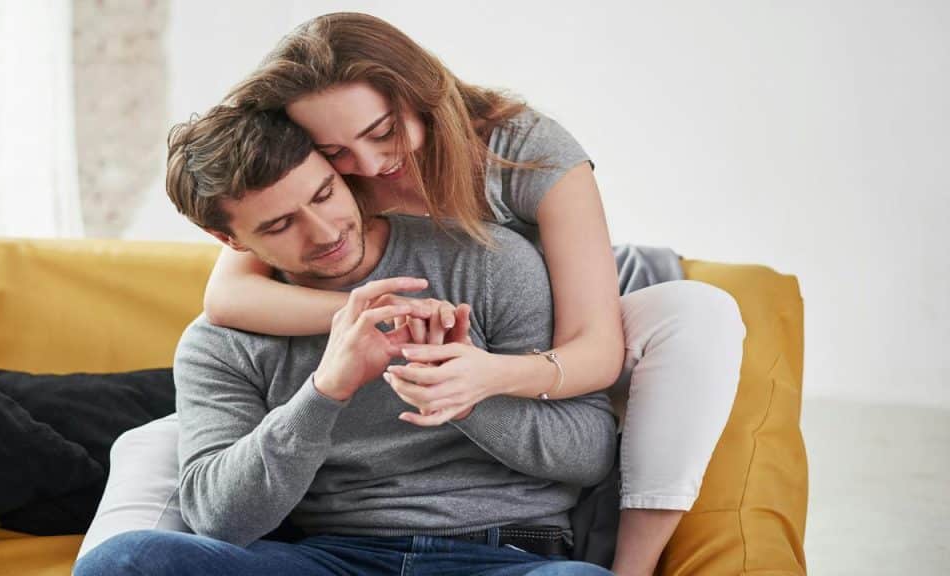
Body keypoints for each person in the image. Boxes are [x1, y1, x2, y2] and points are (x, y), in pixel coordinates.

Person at [201, 12, 746, 576]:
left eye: (382, 132)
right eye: (335, 152)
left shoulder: (527, 151)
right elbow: (227, 300)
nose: (368, 166)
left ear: (419, 93)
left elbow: (594, 348)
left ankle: (631, 565)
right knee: (157, 455)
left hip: (557, 312)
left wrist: (484, 377)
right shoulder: (305, 182)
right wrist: (380, 320)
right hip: (368, 375)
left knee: (697, 314)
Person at [76, 105, 617, 575]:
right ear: (228, 240)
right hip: (332, 558)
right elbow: (219, 520)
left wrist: (461, 395)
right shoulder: (221, 343)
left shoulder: (488, 261)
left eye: (325, 193)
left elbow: (591, 452)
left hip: (508, 554)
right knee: (121, 563)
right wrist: (323, 393)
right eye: (281, 224)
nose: (326, 231)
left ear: (337, 170)